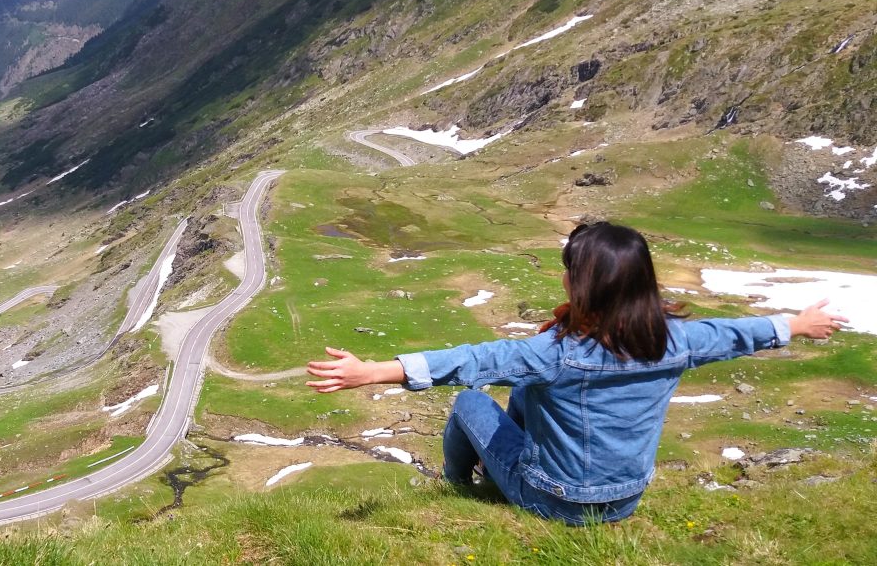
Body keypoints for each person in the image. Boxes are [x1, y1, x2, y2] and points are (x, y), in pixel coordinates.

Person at [305, 222, 848, 525]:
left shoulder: (557, 353)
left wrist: (373, 371)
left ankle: (455, 487)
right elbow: (734, 334)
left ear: (578, 287)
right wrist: (796, 324)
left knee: (471, 401)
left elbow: (473, 363)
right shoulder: (677, 341)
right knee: (522, 393)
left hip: (557, 498)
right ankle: (495, 477)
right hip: (625, 498)